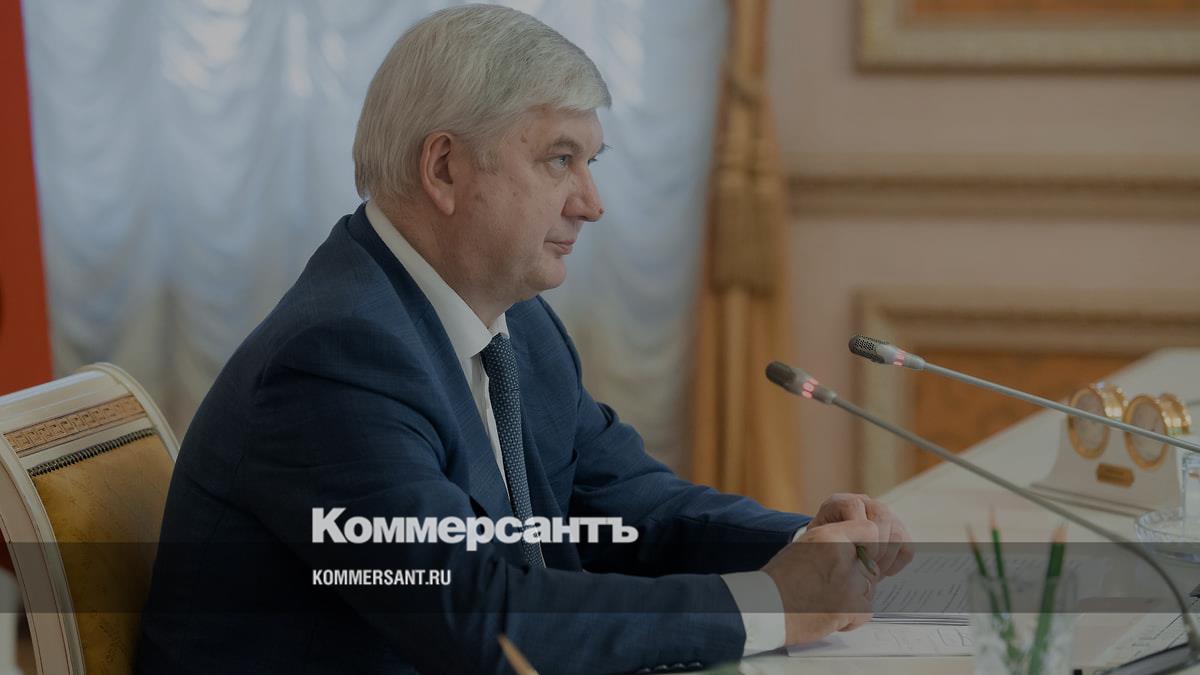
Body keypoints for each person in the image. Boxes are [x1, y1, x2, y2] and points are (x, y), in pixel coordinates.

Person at [136, 5, 912, 674]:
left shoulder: (516, 322)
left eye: (590, 162)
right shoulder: (334, 360)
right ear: (444, 168)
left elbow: (631, 509)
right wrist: (769, 603)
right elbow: (481, 618)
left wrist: (817, 546)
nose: (592, 204)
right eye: (559, 160)